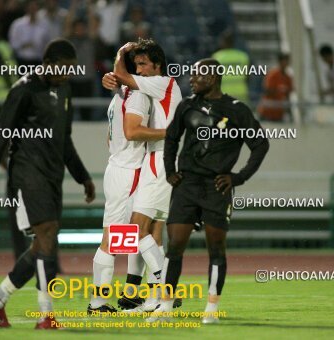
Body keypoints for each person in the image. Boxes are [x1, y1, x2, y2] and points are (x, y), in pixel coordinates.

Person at [0, 39, 95, 330]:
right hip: (27, 174)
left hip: (53, 176)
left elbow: (65, 141)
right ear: (48, 62)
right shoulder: (23, 90)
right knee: (46, 236)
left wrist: (83, 177)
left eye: (70, 69)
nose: (67, 74)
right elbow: (0, 137)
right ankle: (46, 316)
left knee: (42, 243)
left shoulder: (64, 90)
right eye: (63, 68)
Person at [149, 58, 269, 324]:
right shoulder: (187, 106)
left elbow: (260, 145)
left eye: (197, 75)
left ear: (212, 78)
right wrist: (170, 171)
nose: (191, 79)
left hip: (217, 186)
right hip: (187, 185)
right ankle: (165, 306)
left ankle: (211, 309)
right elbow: (171, 138)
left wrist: (239, 177)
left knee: (216, 248)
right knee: (175, 246)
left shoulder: (237, 110)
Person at [101, 38, 182, 312]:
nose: (140, 70)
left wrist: (121, 52)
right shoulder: (146, 89)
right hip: (154, 160)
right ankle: (149, 298)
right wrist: (113, 80)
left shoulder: (161, 83)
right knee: (151, 230)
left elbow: (123, 78)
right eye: (136, 64)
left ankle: (165, 289)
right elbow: (122, 81)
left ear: (158, 65)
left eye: (144, 64)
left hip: (160, 160)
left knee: (134, 229)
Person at [87, 50, 165, 313]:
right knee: (122, 236)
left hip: (118, 167)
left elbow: (111, 138)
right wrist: (170, 133)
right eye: (140, 66)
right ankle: (161, 284)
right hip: (129, 171)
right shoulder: (138, 95)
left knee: (130, 235)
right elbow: (132, 132)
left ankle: (125, 295)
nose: (144, 71)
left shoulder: (120, 93)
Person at [212, 30, 250, 105]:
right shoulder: (243, 56)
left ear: (223, 42)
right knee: (240, 116)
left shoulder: (216, 57)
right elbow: (248, 77)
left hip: (223, 95)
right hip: (241, 93)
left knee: (224, 116)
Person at [8, 0, 50, 66]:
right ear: (26, 8)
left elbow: (47, 43)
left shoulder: (44, 25)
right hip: (21, 61)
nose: (32, 9)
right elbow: (12, 44)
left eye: (34, 7)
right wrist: (24, 45)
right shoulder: (17, 24)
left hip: (37, 61)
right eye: (30, 7)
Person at [257, 53, 293, 122]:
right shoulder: (273, 75)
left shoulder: (288, 77)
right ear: (280, 61)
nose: (287, 63)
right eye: (285, 61)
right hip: (267, 112)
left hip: (279, 113)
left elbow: (288, 94)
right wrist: (279, 90)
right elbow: (267, 90)